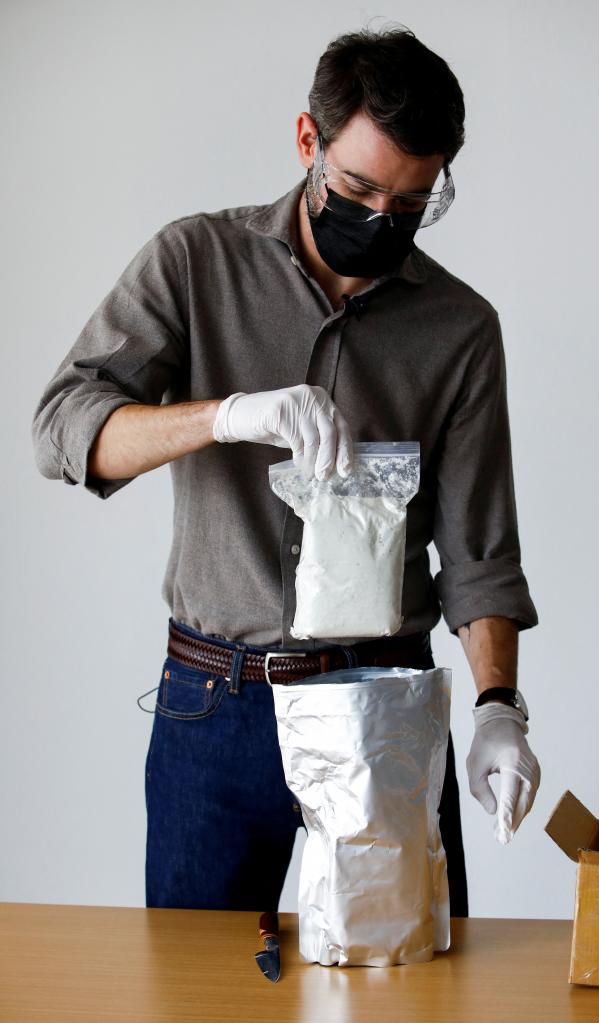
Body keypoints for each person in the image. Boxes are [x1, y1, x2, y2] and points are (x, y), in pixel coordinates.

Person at [31, 25, 541, 916]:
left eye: (412, 204)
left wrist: (499, 706)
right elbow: (63, 430)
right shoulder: (194, 262)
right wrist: (225, 416)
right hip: (216, 704)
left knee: (409, 991)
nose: (382, 218)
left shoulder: (461, 328)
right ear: (308, 141)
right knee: (196, 994)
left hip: (385, 708)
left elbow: (479, 551)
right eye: (358, 188)